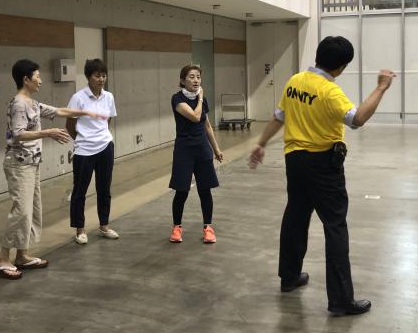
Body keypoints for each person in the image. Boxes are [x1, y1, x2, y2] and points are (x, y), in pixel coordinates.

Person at [248, 36, 395, 316]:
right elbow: (357, 119)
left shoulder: (295, 81)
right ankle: (340, 300)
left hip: (294, 161)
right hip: (323, 164)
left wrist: (261, 143)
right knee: (335, 226)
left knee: (295, 217)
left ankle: (289, 277)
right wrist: (381, 87)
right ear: (341, 66)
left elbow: (279, 117)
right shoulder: (330, 91)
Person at [0, 59, 107, 280]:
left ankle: (21, 256)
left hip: (31, 163)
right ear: (26, 79)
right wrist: (47, 133)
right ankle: (3, 259)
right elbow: (18, 134)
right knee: (21, 211)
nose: (40, 81)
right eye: (37, 77)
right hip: (19, 164)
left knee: (32, 209)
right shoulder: (19, 104)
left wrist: (86, 113)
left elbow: (59, 110)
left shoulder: (33, 103)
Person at [169, 64, 224, 244]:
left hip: (202, 149)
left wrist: (216, 149)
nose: (196, 80)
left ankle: (208, 228)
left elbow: (206, 125)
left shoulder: (203, 99)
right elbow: (194, 116)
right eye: (191, 77)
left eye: (198, 77)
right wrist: (200, 98)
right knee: (181, 191)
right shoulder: (177, 99)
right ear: (183, 80)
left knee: (205, 190)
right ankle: (177, 227)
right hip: (184, 150)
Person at [66, 59, 119, 244]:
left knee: (104, 188)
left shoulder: (109, 97)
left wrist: (100, 135)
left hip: (105, 146)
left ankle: (104, 226)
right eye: (97, 75)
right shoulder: (78, 98)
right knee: (79, 191)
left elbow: (107, 120)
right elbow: (70, 124)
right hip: (84, 150)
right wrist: (83, 139)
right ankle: (80, 230)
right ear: (88, 77)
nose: (101, 79)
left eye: (103, 75)